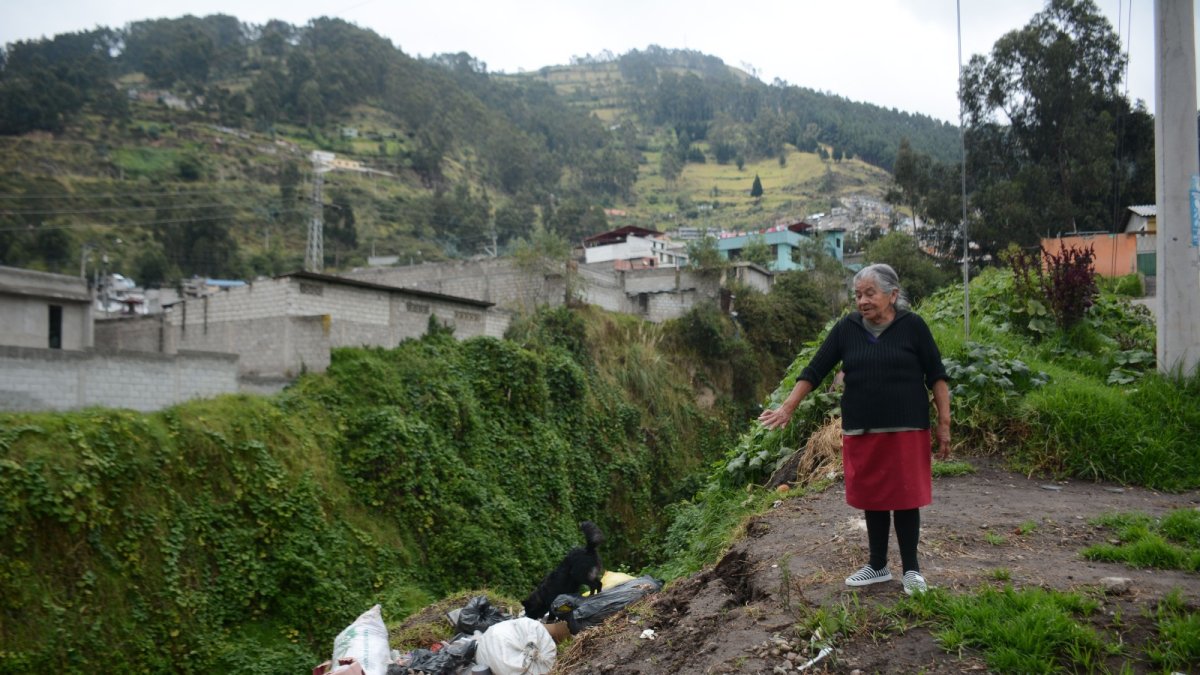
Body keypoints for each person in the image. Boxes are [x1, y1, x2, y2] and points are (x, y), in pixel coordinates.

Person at [758, 263, 951, 595]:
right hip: (862, 427)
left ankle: (912, 571)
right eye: (858, 295)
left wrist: (944, 424)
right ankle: (877, 565)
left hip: (906, 426)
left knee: (905, 497)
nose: (862, 301)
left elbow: (937, 376)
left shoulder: (913, 327)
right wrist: (787, 407)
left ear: (892, 294)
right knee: (873, 496)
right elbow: (816, 368)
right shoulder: (846, 328)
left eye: (870, 293)